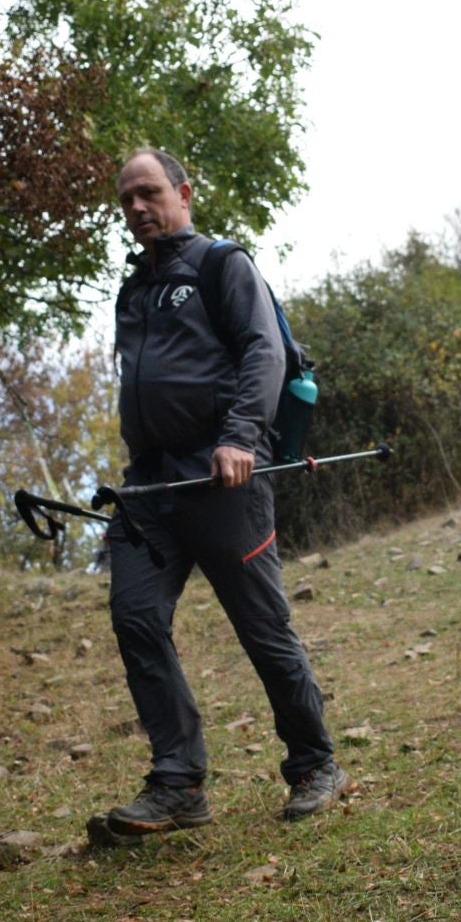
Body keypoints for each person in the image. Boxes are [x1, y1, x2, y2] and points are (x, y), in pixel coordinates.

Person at [100, 148, 346, 837]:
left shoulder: (222, 264)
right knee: (135, 618)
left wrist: (240, 436)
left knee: (263, 629)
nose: (137, 208)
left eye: (149, 193)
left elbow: (263, 351)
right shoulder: (134, 288)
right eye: (126, 200)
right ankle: (177, 783)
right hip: (150, 485)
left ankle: (314, 763)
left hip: (225, 479)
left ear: (183, 192)